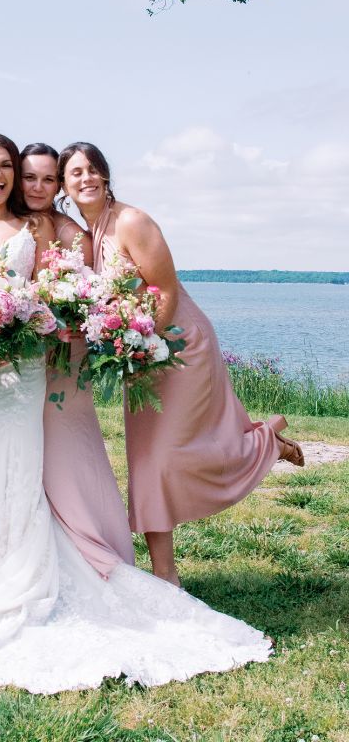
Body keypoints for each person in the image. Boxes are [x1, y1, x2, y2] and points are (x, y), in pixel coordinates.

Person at [0, 133, 272, 694]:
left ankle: (23, 580)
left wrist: (34, 321)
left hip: (22, 370)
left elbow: (57, 290)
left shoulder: (37, 229)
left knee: (16, 469)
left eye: (7, 166)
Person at [58, 141, 304, 587]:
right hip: (138, 353)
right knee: (147, 460)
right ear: (64, 184)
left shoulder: (131, 221)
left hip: (179, 345)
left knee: (165, 456)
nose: (86, 178)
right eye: (75, 172)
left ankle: (266, 442)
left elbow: (165, 291)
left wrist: (143, 344)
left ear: (106, 176)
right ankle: (166, 576)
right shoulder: (89, 232)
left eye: (93, 169)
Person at [20, 142, 134, 574]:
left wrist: (57, 320)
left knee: (69, 449)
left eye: (49, 179)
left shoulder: (73, 234)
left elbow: (81, 298)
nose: (39, 186)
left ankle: (95, 551)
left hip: (62, 355)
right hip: (16, 358)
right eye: (31, 177)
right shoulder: (9, 224)